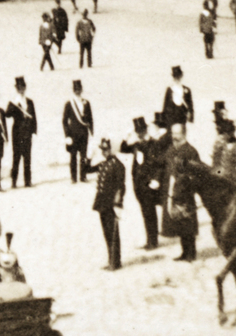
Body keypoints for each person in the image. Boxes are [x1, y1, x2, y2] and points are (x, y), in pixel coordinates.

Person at [120, 116, 165, 250]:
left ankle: (153, 241)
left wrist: (156, 179)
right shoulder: (137, 145)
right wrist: (127, 136)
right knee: (145, 211)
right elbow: (123, 148)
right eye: (138, 132)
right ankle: (150, 239)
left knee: (149, 212)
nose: (140, 134)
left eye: (142, 131)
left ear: (146, 130)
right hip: (138, 184)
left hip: (148, 183)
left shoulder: (153, 144)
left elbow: (159, 164)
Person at [163, 123, 202, 261]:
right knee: (179, 224)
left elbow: (197, 172)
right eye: (173, 133)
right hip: (174, 192)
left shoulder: (191, 151)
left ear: (184, 134)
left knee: (188, 223)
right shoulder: (171, 150)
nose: (174, 136)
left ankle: (191, 253)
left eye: (177, 133)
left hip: (186, 193)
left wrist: (187, 185)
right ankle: (184, 252)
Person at [86, 136, 125, 270]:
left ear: (112, 150)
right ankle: (111, 260)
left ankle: (115, 262)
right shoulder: (104, 163)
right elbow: (87, 170)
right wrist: (89, 157)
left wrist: (118, 204)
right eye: (103, 150)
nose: (104, 152)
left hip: (110, 203)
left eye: (106, 150)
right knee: (107, 232)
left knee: (113, 233)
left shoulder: (118, 165)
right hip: (102, 202)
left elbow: (120, 187)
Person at [3, 76, 38, 188]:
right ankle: (14, 181)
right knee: (16, 158)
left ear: (25, 87)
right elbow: (7, 114)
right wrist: (14, 105)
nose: (21, 89)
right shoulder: (13, 102)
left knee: (27, 158)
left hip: (27, 134)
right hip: (17, 134)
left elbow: (34, 117)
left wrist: (34, 131)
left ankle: (28, 181)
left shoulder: (29, 101)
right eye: (19, 88)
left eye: (22, 87)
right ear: (16, 89)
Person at [62, 79, 94, 184]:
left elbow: (90, 118)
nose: (78, 91)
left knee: (83, 156)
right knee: (73, 156)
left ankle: (83, 176)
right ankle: (73, 177)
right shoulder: (69, 104)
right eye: (76, 89)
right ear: (73, 90)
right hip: (73, 134)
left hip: (84, 133)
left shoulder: (86, 103)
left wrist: (91, 132)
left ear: (82, 89)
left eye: (79, 89)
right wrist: (67, 135)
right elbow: (64, 120)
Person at [158, 65, 193, 130]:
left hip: (182, 117)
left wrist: (190, 117)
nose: (177, 78)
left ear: (181, 76)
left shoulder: (187, 90)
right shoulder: (169, 89)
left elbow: (190, 104)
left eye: (178, 76)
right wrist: (163, 122)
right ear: (173, 77)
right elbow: (165, 105)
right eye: (175, 76)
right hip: (171, 117)